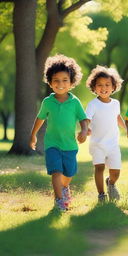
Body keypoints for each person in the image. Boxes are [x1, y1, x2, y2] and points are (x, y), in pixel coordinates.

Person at [30, 54, 87, 211]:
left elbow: (83, 119)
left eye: (65, 80)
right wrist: (33, 134)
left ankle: (64, 188)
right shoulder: (47, 102)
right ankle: (59, 200)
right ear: (50, 82)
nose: (60, 84)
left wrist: (84, 130)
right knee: (56, 171)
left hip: (69, 145)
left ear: (71, 82)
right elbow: (40, 118)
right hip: (52, 144)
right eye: (56, 80)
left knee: (68, 174)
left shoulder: (75, 102)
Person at [85, 65, 125, 202]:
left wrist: (127, 129)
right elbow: (87, 119)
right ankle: (101, 194)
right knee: (99, 168)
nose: (104, 88)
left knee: (116, 172)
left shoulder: (115, 103)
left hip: (113, 144)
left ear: (113, 87)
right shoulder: (93, 104)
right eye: (100, 85)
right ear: (94, 87)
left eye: (107, 84)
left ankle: (111, 183)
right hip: (97, 144)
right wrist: (85, 129)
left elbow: (117, 117)